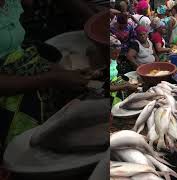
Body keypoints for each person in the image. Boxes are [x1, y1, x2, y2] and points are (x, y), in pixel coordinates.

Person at [0, 0, 92, 153]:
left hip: (24, 73)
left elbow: (19, 51)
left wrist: (60, 72)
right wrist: (51, 78)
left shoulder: (11, 3)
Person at [110, 35, 137, 106]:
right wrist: (125, 86)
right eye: (114, 53)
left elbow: (114, 75)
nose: (117, 55)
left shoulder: (113, 59)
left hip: (116, 88)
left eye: (118, 53)